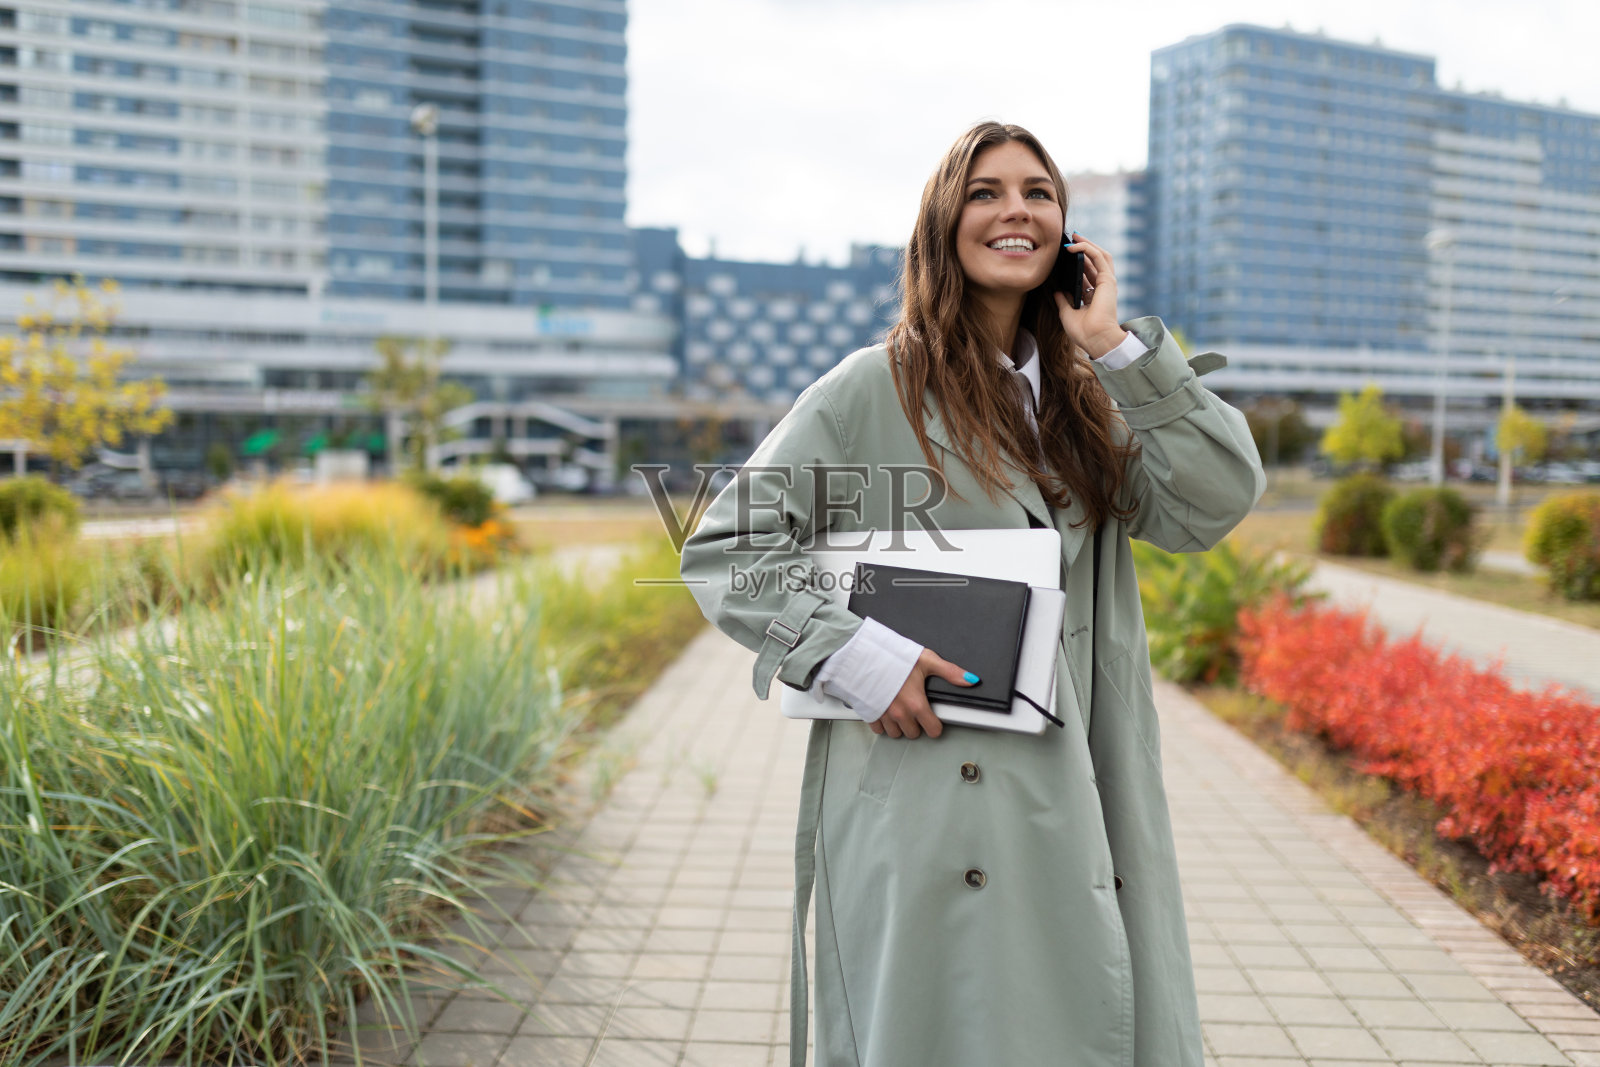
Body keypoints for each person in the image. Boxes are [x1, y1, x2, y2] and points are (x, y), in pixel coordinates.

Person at [679, 121, 1263, 1067]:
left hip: (1084, 787)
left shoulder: (1092, 395)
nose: (1015, 210)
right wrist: (853, 654)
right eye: (985, 191)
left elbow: (1213, 503)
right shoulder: (873, 388)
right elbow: (725, 545)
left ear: (1068, 232)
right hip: (931, 784)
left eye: (1038, 191)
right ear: (943, 223)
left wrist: (1114, 346)